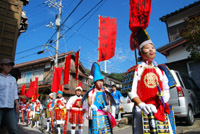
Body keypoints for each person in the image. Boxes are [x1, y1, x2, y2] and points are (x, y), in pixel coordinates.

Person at [128, 29, 173, 134]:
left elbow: (166, 89)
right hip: (142, 111)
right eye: (147, 48)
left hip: (159, 109)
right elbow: (131, 91)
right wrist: (142, 105)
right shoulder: (136, 70)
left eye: (152, 47)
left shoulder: (160, 70)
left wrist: (164, 98)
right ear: (140, 52)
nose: (151, 50)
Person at [83, 62, 117, 134]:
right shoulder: (91, 92)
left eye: (101, 81)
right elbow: (89, 101)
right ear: (95, 82)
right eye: (99, 81)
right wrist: (92, 105)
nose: (100, 83)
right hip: (95, 114)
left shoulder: (105, 91)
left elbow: (108, 102)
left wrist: (107, 107)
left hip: (104, 114)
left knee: (106, 131)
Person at [0, 58, 19, 134]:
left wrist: (17, 104)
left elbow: (15, 92)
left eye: (10, 65)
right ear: (1, 66)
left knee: (13, 129)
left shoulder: (13, 79)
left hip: (10, 107)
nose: (9, 67)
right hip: (0, 105)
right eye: (6, 65)